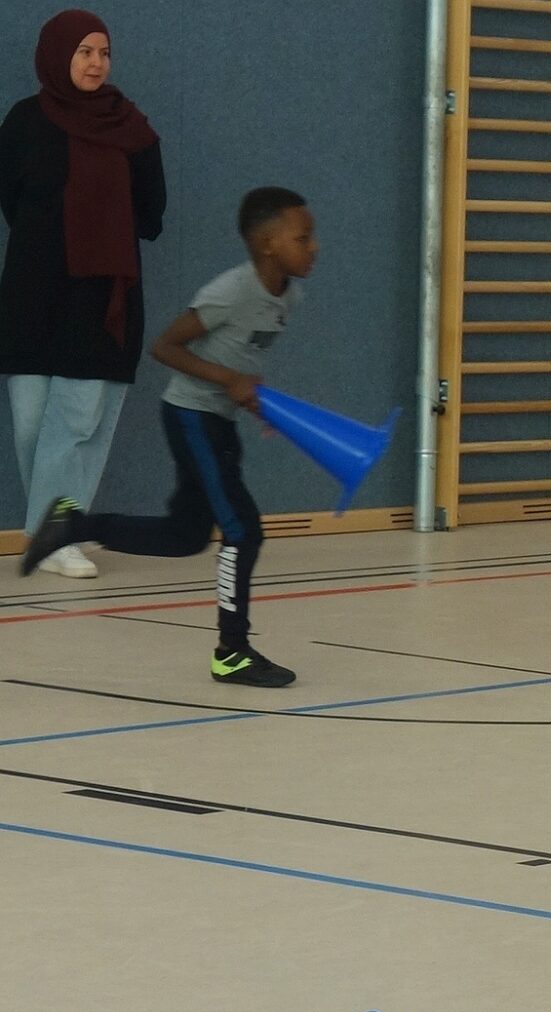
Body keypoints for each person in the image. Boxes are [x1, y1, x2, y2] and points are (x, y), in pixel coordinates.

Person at [21, 187, 317, 688]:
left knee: (184, 536)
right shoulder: (231, 291)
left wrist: (254, 396)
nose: (314, 246)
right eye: (303, 237)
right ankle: (232, 651)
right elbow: (164, 347)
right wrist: (230, 381)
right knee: (243, 529)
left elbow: (240, 356)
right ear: (268, 243)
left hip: (217, 420)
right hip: (192, 417)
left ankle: (71, 525)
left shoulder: (287, 294)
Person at [0, 8, 164, 578]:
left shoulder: (131, 129)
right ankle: (55, 525)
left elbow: (151, 211)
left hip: (101, 299)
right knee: (32, 423)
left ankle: (56, 536)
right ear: (57, 55)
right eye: (85, 52)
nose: (97, 63)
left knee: (79, 422)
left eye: (104, 52)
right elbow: (9, 200)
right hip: (32, 294)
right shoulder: (23, 122)